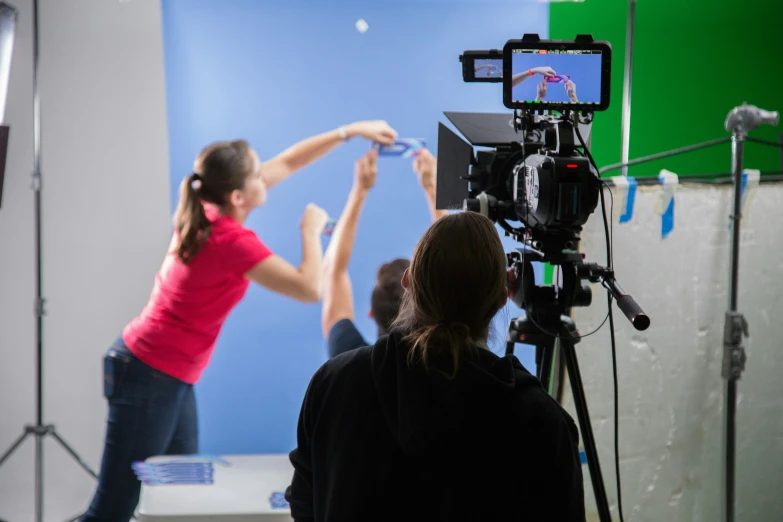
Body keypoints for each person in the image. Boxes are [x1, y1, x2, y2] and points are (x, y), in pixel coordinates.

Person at [81, 120, 398, 522]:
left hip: (169, 374)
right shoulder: (229, 241)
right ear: (238, 194)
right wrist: (311, 232)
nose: (266, 171)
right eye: (256, 172)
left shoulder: (210, 205)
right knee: (109, 513)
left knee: (176, 501)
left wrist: (348, 131)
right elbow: (309, 288)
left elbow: (288, 161)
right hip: (147, 372)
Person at [286, 211, 586, 522]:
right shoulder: (543, 422)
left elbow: (304, 503)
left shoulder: (334, 382)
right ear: (502, 296)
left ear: (408, 282)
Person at [321, 147, 447, 359]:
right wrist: (432, 187)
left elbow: (334, 272)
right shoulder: (450, 362)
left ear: (371, 313)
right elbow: (458, 261)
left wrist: (360, 190)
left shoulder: (347, 357)